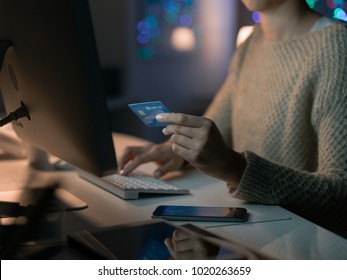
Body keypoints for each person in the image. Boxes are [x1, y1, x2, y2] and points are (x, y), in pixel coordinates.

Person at [118, 0, 347, 238]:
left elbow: (341, 192)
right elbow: (217, 126)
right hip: (253, 235)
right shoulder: (250, 44)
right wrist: (175, 150)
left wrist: (237, 168)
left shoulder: (337, 46)